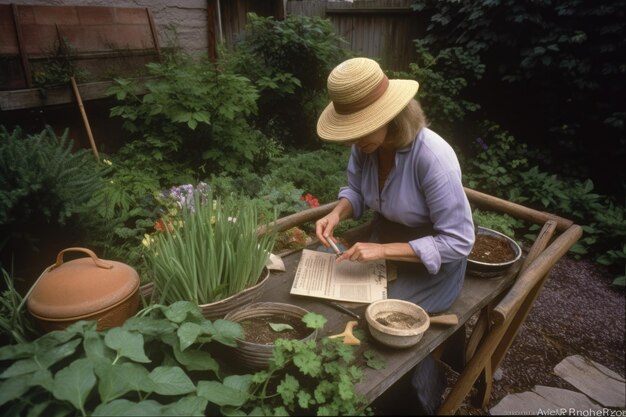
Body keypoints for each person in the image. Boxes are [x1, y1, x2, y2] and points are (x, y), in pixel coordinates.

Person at [314, 57, 475, 414]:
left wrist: (381, 249)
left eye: (362, 127)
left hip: (434, 263)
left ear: (390, 116)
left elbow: (460, 241)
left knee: (379, 319)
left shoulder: (433, 157)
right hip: (380, 246)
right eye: (350, 129)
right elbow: (356, 191)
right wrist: (337, 212)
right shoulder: (365, 147)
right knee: (333, 299)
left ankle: (417, 394)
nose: (354, 139)